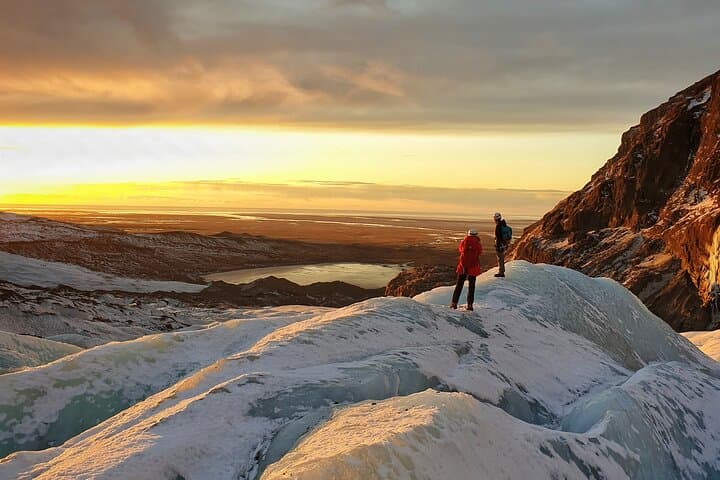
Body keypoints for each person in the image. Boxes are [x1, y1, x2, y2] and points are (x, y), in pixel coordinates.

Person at [450, 228, 482, 311]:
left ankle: (454, 303)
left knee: (459, 285)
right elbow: (480, 252)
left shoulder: (464, 241)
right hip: (473, 267)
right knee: (471, 286)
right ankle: (470, 305)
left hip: (463, 267)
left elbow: (460, 250)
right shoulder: (477, 243)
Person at [494, 212, 511, 277]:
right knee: (501, 258)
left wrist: (498, 246)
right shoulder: (504, 224)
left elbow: (498, 237)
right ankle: (501, 271)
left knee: (500, 258)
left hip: (500, 245)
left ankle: (501, 273)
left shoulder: (498, 226)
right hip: (504, 244)